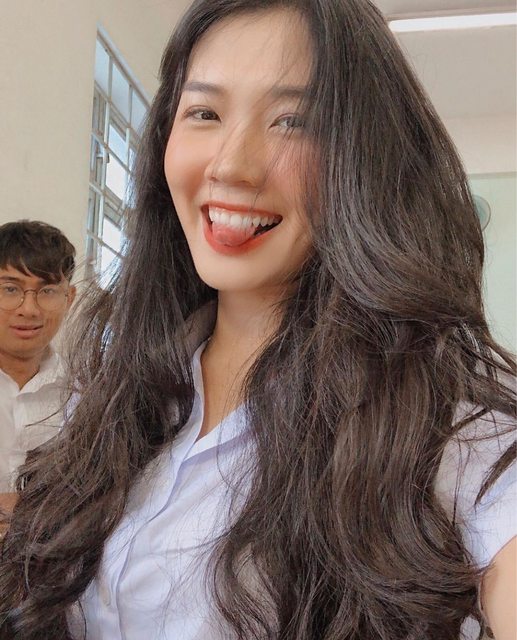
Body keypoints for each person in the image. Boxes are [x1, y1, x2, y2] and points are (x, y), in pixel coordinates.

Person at [0, 0, 515, 638]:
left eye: (293, 121)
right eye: (205, 113)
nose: (232, 165)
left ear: (366, 158)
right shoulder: (117, 391)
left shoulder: (454, 425)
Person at [0, 220, 76, 515]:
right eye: (10, 289)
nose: (29, 309)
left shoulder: (84, 398)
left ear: (69, 299)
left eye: (47, 291)